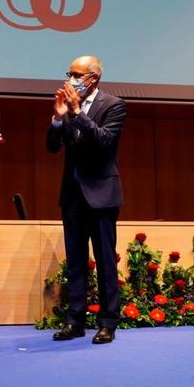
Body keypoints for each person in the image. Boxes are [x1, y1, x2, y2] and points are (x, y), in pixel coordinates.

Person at [46, 55, 126, 345]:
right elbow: (52, 147)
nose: (71, 79)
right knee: (76, 261)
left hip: (102, 194)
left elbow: (104, 141)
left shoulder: (113, 105)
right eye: (69, 73)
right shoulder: (67, 107)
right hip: (73, 194)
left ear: (93, 78)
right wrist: (57, 118)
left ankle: (107, 323)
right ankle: (75, 321)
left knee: (105, 260)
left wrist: (77, 112)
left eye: (77, 74)